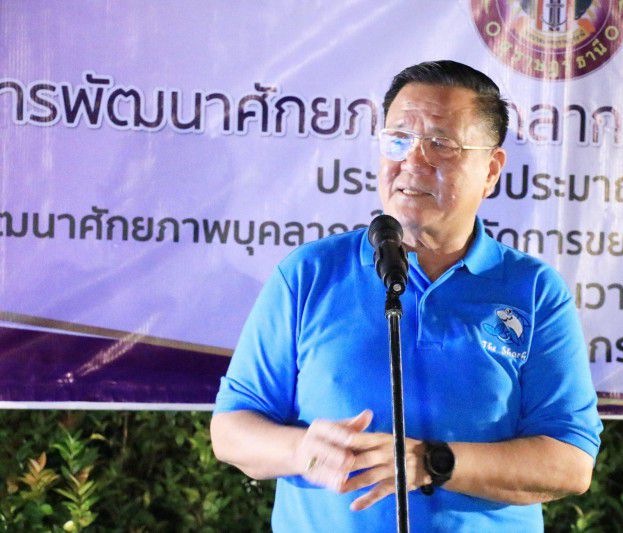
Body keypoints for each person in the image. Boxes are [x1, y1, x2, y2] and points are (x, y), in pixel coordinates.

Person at [210, 60, 602, 532]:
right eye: (398, 139)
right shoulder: (310, 273)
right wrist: (302, 450)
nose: (413, 161)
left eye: (440, 144)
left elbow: (569, 463)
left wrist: (431, 462)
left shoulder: (533, 291)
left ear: (491, 170)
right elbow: (231, 429)